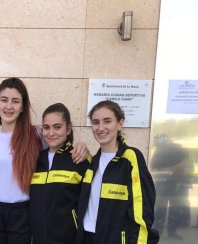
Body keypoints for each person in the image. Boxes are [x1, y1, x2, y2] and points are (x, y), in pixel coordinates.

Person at [0, 77, 89, 244]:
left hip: (22, 214)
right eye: (4, 100)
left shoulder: (36, 135)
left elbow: (58, 141)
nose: (9, 106)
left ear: (23, 106)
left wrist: (81, 146)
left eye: (15, 101)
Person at [76, 100, 159, 244]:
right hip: (87, 237)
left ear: (120, 123)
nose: (100, 127)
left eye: (107, 121)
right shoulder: (91, 162)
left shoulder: (131, 158)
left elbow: (142, 211)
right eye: (96, 122)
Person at [29, 103, 91, 244]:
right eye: (46, 127)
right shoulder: (37, 160)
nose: (51, 133)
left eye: (57, 127)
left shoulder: (79, 159)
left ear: (68, 129)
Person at [151, 134, 193, 240]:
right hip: (161, 183)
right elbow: (153, 166)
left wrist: (170, 170)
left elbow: (185, 162)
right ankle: (157, 231)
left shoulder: (177, 148)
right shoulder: (158, 151)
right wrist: (162, 171)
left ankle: (172, 231)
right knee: (160, 208)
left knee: (175, 208)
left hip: (176, 183)